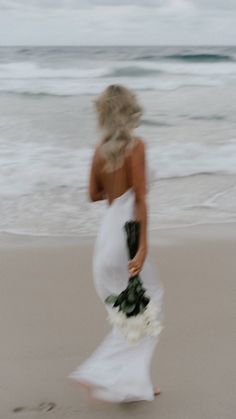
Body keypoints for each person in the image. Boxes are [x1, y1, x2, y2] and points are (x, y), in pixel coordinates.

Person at [68, 84, 164, 403]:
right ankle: (97, 370)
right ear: (129, 110)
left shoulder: (99, 151)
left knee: (128, 312)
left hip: (106, 238)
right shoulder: (136, 146)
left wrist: (113, 188)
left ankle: (132, 384)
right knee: (148, 305)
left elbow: (93, 194)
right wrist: (143, 247)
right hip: (127, 237)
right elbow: (140, 199)